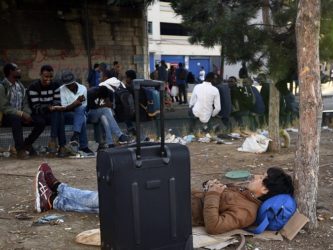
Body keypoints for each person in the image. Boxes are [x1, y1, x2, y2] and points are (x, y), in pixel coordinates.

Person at [34, 163, 294, 235]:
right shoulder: (244, 193)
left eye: (261, 177)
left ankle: (59, 188)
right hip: (176, 199)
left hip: (174, 213)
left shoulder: (248, 211)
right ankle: (54, 202)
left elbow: (215, 226)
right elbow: (213, 196)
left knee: (117, 199)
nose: (256, 175)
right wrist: (211, 187)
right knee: (115, 206)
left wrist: (213, 193)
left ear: (266, 190)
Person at [0, 63, 43, 159]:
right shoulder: (2, 87)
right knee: (16, 119)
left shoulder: (20, 85)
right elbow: (4, 107)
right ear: (11, 71)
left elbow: (25, 102)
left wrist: (26, 113)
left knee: (40, 122)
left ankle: (27, 144)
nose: (20, 70)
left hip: (21, 115)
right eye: (17, 69)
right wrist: (21, 114)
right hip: (7, 116)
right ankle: (20, 150)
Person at [27, 65, 71, 157]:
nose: (49, 79)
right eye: (46, 77)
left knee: (58, 113)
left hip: (52, 114)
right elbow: (36, 108)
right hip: (38, 115)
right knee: (58, 115)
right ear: (40, 75)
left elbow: (57, 102)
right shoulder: (33, 87)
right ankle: (62, 146)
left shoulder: (56, 85)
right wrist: (48, 107)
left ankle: (53, 141)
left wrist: (54, 107)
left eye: (51, 77)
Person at [59, 71, 94, 156]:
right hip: (67, 114)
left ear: (74, 81)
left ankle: (75, 135)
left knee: (81, 112)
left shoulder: (83, 88)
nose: (69, 86)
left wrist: (76, 105)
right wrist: (75, 103)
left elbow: (84, 106)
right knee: (82, 117)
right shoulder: (61, 89)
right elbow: (64, 108)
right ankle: (83, 146)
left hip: (80, 112)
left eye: (71, 84)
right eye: (67, 85)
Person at [87, 85, 132, 150]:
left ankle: (110, 143)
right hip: (91, 114)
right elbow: (91, 107)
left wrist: (109, 103)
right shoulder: (91, 93)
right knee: (106, 110)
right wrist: (105, 105)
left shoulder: (109, 92)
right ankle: (120, 135)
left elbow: (111, 105)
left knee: (104, 118)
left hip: (101, 113)